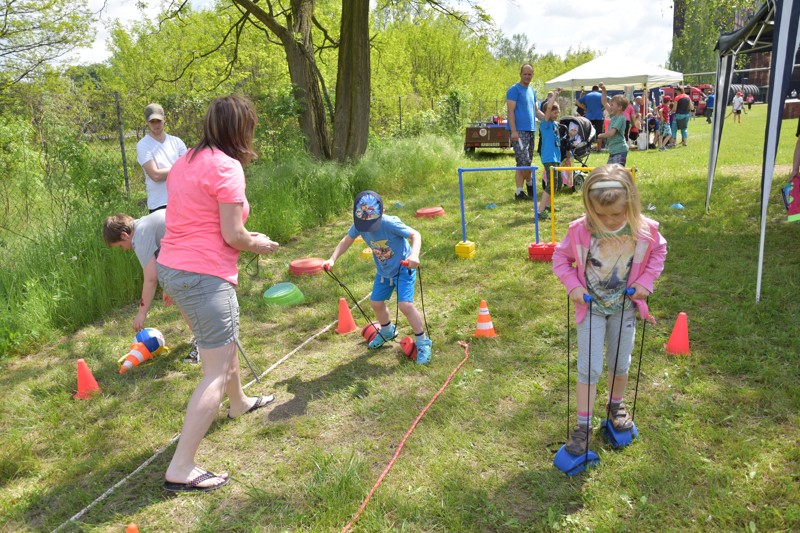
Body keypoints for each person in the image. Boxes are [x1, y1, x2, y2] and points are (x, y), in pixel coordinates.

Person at [156, 96, 280, 492]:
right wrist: (257, 243)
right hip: (203, 274)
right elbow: (233, 236)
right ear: (240, 129)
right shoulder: (227, 167)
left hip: (173, 268)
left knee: (220, 344)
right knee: (217, 368)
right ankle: (181, 467)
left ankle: (239, 402)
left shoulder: (185, 160)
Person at [552, 164, 667, 456]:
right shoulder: (580, 230)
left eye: (615, 214)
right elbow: (561, 259)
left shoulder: (645, 229)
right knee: (589, 367)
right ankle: (583, 425)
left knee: (620, 363)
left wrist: (645, 282)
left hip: (624, 308)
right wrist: (573, 286)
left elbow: (658, 253)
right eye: (599, 215)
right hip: (590, 308)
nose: (607, 220)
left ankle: (616, 405)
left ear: (630, 204)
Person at [323, 191, 431, 364]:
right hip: (383, 272)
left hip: (403, 269)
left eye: (372, 224)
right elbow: (346, 240)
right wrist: (332, 258)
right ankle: (387, 331)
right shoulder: (360, 224)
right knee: (376, 303)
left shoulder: (390, 223)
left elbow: (415, 235)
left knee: (405, 305)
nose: (368, 228)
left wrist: (414, 255)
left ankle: (423, 341)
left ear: (382, 212)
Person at [103, 211, 200, 363]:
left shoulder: (140, 237)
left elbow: (150, 278)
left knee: (184, 298)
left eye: (121, 246)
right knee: (180, 292)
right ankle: (204, 338)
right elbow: (166, 256)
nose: (125, 249)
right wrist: (168, 287)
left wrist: (142, 313)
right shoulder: (144, 224)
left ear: (124, 235)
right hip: (198, 242)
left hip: (197, 249)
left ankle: (204, 344)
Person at [136, 103, 187, 213]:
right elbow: (155, 175)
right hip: (159, 204)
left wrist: (180, 169)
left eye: (158, 120)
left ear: (164, 119)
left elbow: (189, 169)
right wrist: (179, 168)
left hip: (181, 200)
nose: (156, 124)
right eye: (152, 121)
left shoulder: (177, 142)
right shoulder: (143, 145)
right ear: (146, 122)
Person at [507, 64, 546, 201]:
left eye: (530, 74)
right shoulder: (514, 90)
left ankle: (519, 192)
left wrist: (549, 119)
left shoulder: (532, 91)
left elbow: (536, 111)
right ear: (520, 74)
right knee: (524, 161)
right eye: (525, 74)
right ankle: (530, 185)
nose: (527, 76)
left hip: (530, 130)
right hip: (519, 131)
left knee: (524, 163)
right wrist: (513, 131)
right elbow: (510, 112)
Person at [537, 101, 562, 218]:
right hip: (549, 157)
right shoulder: (545, 124)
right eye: (554, 112)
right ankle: (540, 210)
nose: (557, 115)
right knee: (552, 184)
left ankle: (548, 205)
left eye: (558, 112)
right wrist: (555, 95)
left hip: (556, 157)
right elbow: (547, 111)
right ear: (548, 112)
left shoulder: (554, 124)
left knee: (557, 184)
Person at [597, 83, 629, 165]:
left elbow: (611, 133)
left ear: (620, 107)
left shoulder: (621, 118)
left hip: (620, 150)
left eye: (612, 105)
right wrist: (604, 90)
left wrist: (601, 136)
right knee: (610, 173)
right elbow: (604, 102)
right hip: (613, 150)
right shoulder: (613, 115)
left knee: (616, 174)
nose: (610, 107)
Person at [577, 85, 606, 150]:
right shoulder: (601, 95)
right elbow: (608, 101)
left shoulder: (587, 95)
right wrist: (603, 109)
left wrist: (584, 108)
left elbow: (577, 101)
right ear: (598, 89)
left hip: (589, 117)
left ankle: (587, 147)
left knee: (588, 132)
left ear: (592, 90)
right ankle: (599, 148)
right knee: (599, 133)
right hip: (599, 117)